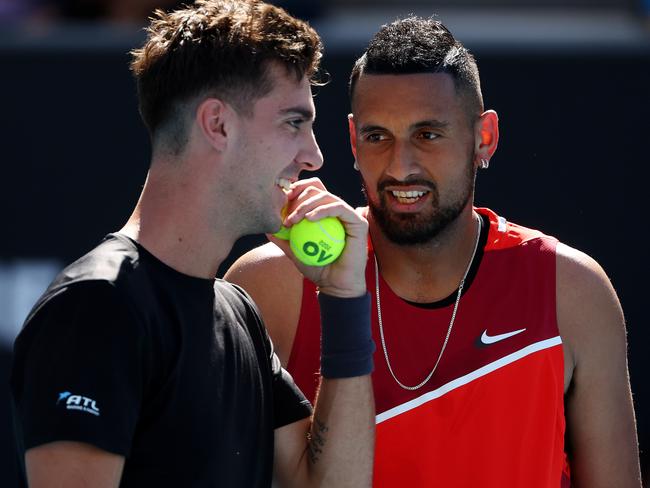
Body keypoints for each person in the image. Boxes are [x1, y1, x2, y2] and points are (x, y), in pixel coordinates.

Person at [225, 16, 643, 487]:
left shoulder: (574, 291)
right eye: (377, 136)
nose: (401, 167)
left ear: (484, 137)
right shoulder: (270, 287)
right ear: (353, 141)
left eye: (428, 134)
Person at [10, 1, 376, 486]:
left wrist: (343, 296)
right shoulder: (96, 307)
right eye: (293, 122)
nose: (314, 156)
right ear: (218, 124)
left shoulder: (239, 314)